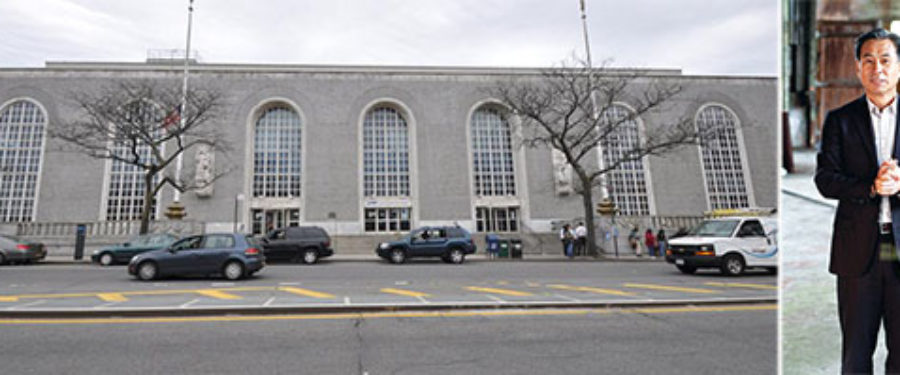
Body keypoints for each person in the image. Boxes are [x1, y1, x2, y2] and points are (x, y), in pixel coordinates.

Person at [815, 28, 900, 373]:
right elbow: (825, 179)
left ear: (898, 67)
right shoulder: (840, 121)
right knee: (855, 352)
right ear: (857, 68)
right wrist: (870, 188)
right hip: (857, 251)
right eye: (868, 60)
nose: (877, 68)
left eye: (885, 59)